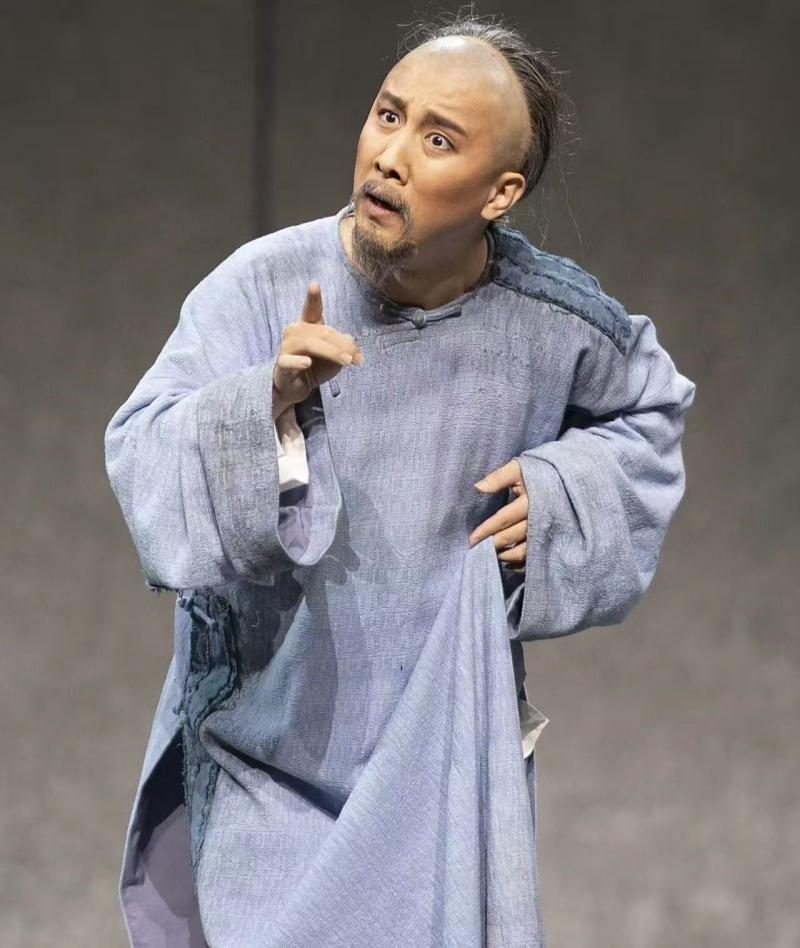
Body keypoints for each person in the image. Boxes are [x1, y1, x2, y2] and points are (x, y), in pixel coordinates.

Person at [104, 12, 696, 948]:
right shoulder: (260, 287)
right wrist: (266, 404)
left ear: (501, 192)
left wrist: (565, 492)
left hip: (437, 760)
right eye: (388, 115)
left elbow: (650, 414)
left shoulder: (552, 322)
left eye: (438, 140)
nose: (390, 156)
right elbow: (142, 447)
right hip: (263, 754)